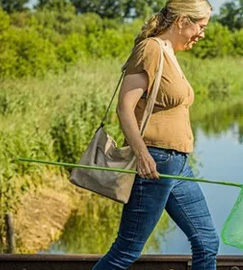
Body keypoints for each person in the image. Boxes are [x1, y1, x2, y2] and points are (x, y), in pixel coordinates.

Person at [92, 1, 217, 269]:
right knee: (126, 250)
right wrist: (142, 154)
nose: (203, 34)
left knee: (207, 242)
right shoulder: (150, 49)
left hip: (179, 164)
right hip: (155, 162)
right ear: (183, 21)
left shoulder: (170, 52)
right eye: (201, 26)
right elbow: (124, 108)